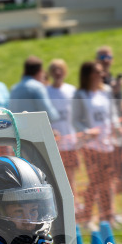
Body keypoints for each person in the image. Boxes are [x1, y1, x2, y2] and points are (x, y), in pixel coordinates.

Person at [73, 61, 121, 223]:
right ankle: (86, 216)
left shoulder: (106, 91)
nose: (102, 75)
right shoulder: (81, 94)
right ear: (88, 75)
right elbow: (76, 120)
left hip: (107, 143)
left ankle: (107, 215)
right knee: (95, 181)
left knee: (108, 181)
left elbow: (112, 114)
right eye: (97, 72)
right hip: (91, 146)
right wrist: (87, 131)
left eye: (101, 72)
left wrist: (117, 126)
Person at [46, 59, 80, 198]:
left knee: (71, 176)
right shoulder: (46, 91)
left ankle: (74, 205)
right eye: (54, 69)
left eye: (60, 69)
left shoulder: (71, 90)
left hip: (71, 141)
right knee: (55, 178)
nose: (58, 72)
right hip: (55, 143)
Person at [8, 56, 59, 122]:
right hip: (35, 129)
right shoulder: (37, 87)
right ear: (40, 71)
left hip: (18, 130)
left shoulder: (14, 88)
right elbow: (51, 115)